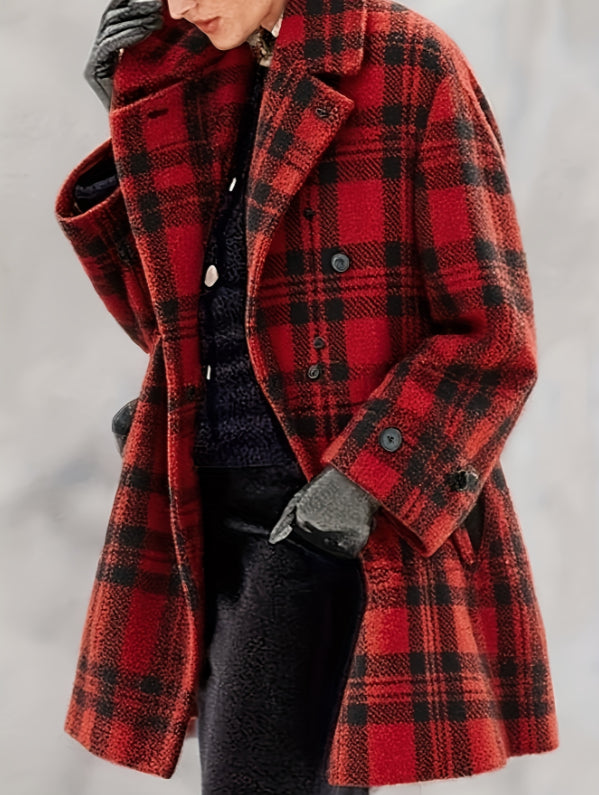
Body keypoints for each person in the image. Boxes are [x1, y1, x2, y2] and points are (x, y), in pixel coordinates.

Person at [55, 1, 559, 792]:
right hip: (198, 510)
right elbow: (168, 328)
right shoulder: (204, 72)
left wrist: (357, 488)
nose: (178, 6)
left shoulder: (408, 63)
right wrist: (130, 119)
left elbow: (493, 336)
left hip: (318, 518)